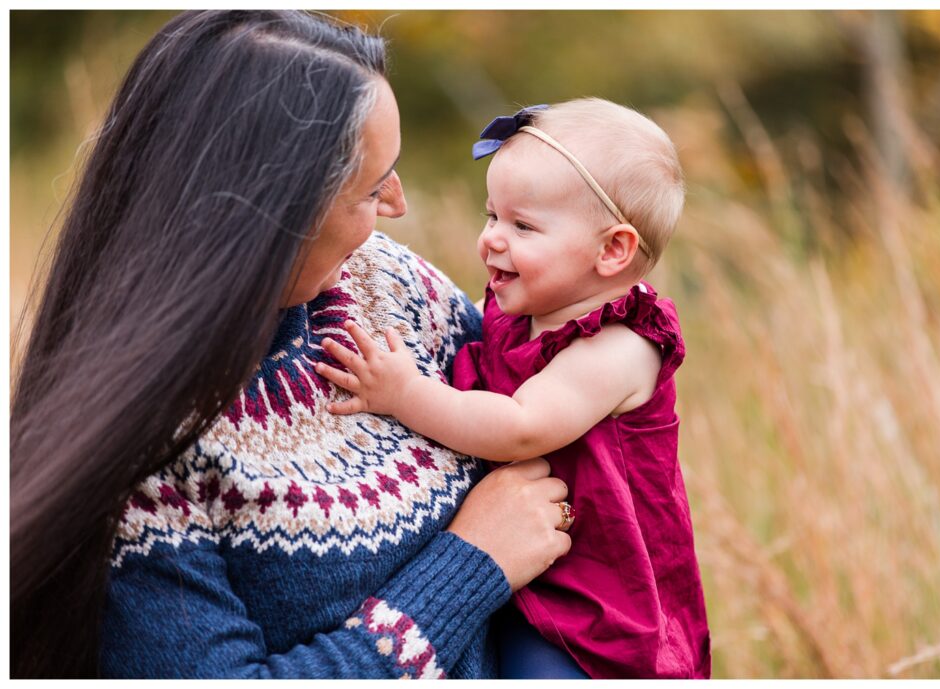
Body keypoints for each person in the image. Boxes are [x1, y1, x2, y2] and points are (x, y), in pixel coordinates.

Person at [9, 11, 572, 679]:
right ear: (271, 213)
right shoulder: (136, 460)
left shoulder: (390, 288)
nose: (396, 204)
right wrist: (469, 565)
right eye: (369, 187)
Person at [318, 98, 712, 678]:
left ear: (612, 250)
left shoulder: (620, 345)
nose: (492, 239)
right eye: (491, 215)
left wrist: (403, 394)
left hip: (596, 600)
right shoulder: (520, 307)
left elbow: (521, 427)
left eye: (522, 226)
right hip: (522, 564)